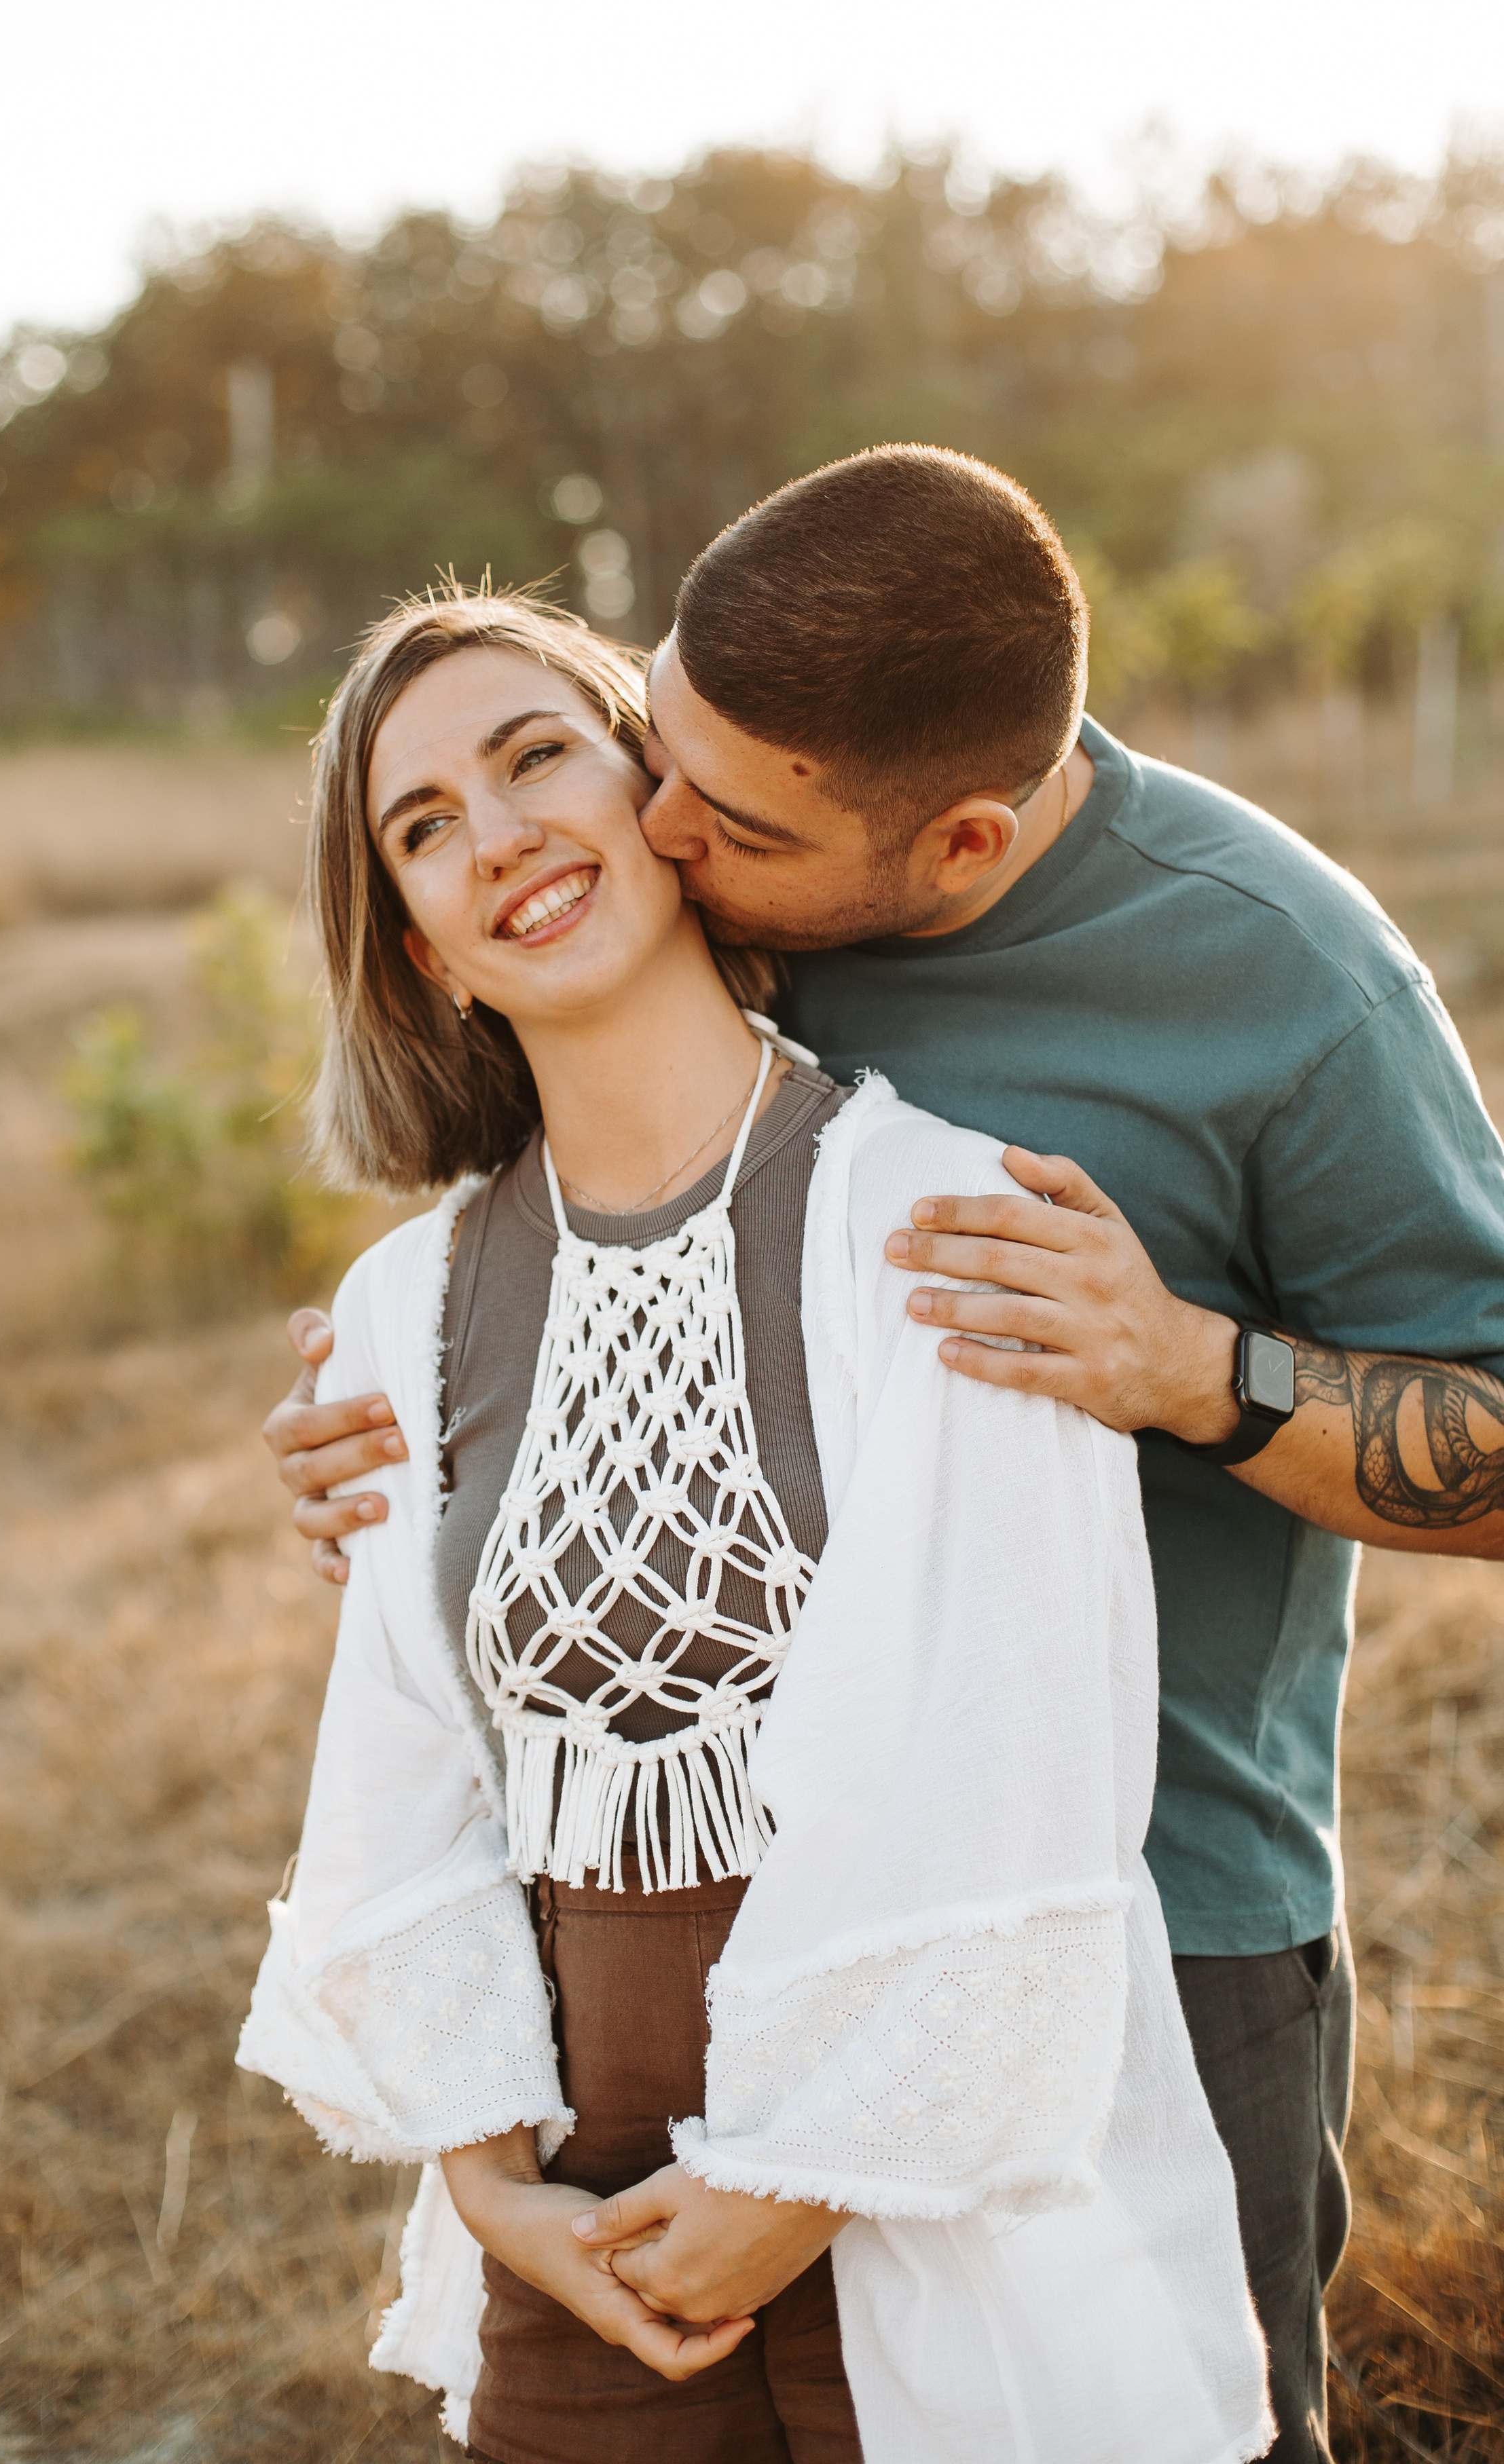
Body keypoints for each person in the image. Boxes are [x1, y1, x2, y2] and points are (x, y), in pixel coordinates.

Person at [265, 449, 1504, 2464]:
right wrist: (401, 1439)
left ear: (958, 846)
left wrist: (1197, 1373)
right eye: (656, 750)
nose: (658, 824)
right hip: (668, 1989)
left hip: (1162, 1909)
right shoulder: (722, 840)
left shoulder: (1275, 984)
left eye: (707, 813)